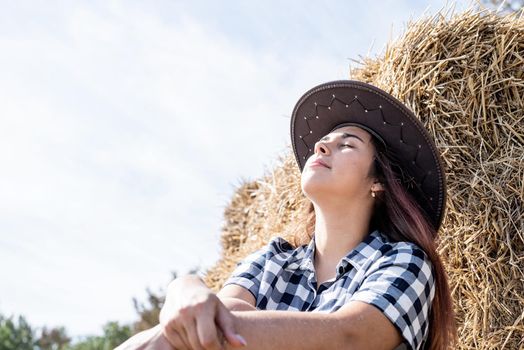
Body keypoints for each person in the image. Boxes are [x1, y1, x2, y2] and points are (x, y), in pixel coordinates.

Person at [116, 80, 457, 350]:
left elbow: (349, 337)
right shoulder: (273, 261)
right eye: (323, 141)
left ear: (378, 182)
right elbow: (216, 315)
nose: (321, 147)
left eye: (347, 144)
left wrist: (214, 322)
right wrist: (185, 288)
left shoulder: (405, 262)